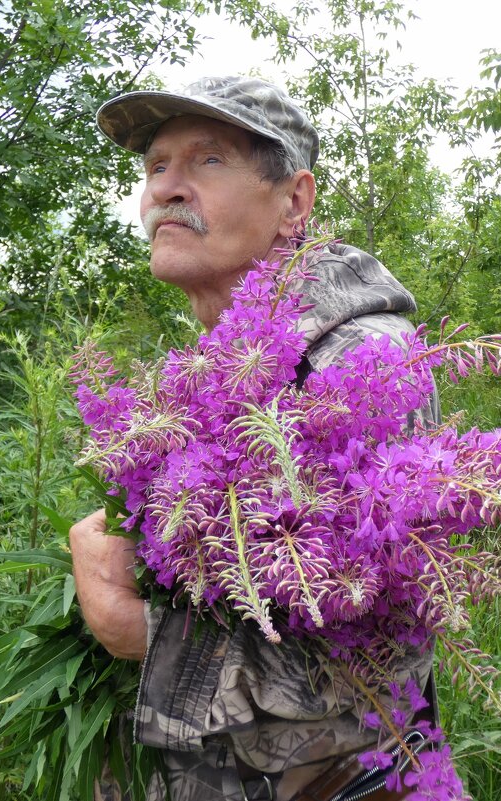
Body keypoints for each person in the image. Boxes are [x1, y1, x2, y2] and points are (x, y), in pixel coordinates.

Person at [70, 76, 439, 801]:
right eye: (156, 166)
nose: (165, 188)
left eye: (207, 160)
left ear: (293, 202)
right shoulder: (214, 364)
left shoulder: (363, 365)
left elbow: (377, 653)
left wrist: (139, 629)